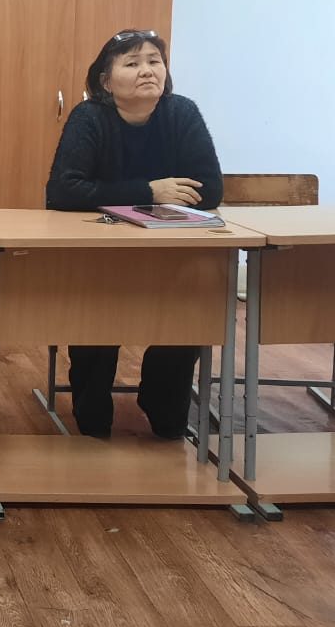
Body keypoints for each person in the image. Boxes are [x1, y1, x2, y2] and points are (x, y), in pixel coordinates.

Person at [46, 28, 223, 440]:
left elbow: (211, 189)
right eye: (132, 63)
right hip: (100, 254)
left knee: (190, 312)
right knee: (97, 314)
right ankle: (92, 411)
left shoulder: (182, 114)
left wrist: (117, 195)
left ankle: (162, 403)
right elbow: (62, 191)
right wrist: (148, 192)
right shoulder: (89, 117)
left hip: (171, 255)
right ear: (106, 81)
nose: (147, 70)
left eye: (154, 61)